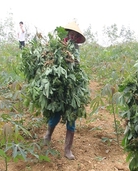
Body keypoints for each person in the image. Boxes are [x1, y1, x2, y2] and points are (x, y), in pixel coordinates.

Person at [43, 21, 86, 160]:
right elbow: (51, 60)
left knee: (71, 119)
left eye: (75, 35)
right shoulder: (59, 45)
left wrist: (72, 61)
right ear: (67, 33)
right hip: (60, 86)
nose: (73, 36)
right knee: (55, 116)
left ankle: (67, 149)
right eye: (71, 34)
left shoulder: (76, 48)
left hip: (72, 87)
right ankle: (48, 134)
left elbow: (77, 64)